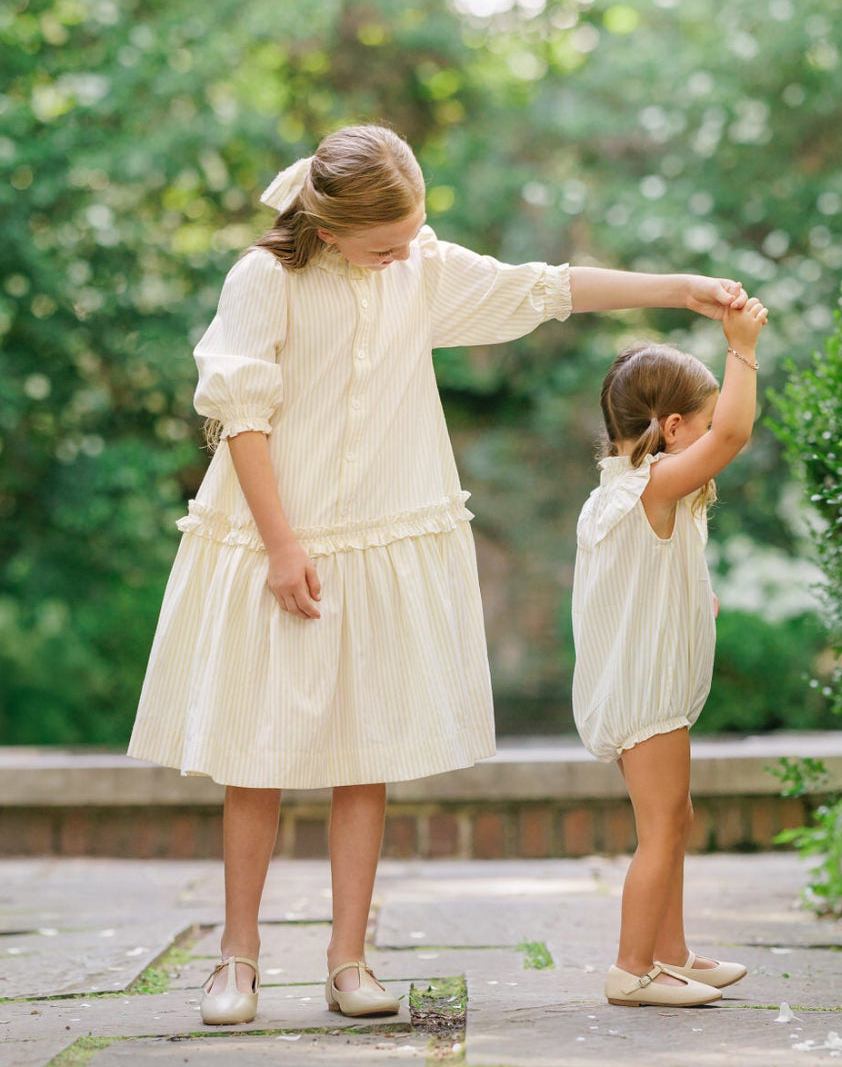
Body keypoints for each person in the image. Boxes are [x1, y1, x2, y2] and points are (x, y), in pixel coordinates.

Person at [127, 122, 750, 1026]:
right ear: (331, 230)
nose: (403, 255)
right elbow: (241, 418)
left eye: (413, 235)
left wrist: (681, 289)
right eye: (385, 244)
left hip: (384, 533)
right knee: (252, 752)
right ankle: (238, 959)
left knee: (366, 753)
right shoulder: (266, 280)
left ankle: (348, 962)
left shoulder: (417, 267)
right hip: (276, 533)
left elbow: (548, 289)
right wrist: (282, 546)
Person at [571, 300, 768, 1007]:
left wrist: (694, 596)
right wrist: (740, 347)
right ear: (675, 427)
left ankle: (672, 952)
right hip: (646, 695)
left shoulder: (619, 492)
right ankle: (632, 969)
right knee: (661, 829)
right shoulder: (651, 487)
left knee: (674, 818)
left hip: (640, 687)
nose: (714, 434)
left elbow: (634, 584)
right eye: (703, 425)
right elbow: (739, 432)